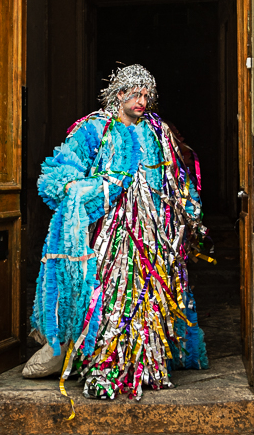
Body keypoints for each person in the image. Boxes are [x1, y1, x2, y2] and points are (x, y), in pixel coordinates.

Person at [24, 63, 210, 404]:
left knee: (148, 294)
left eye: (147, 95)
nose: (142, 101)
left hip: (151, 233)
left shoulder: (157, 131)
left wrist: (187, 208)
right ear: (119, 93)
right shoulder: (94, 128)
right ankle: (105, 365)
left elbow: (174, 177)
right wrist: (81, 189)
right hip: (110, 233)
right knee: (109, 294)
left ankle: (147, 366)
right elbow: (62, 169)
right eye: (136, 94)